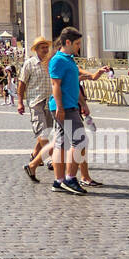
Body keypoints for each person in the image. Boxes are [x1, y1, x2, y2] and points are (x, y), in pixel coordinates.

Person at [47, 27, 106, 194]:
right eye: (78, 43)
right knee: (80, 141)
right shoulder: (58, 60)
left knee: (61, 144)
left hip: (69, 105)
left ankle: (58, 182)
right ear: (68, 42)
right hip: (64, 107)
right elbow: (55, 85)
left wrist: (93, 76)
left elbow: (75, 80)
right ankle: (70, 178)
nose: (79, 46)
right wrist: (60, 106)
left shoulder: (69, 59)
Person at [18, 36, 55, 183]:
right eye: (42, 47)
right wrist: (20, 102)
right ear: (36, 50)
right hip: (36, 102)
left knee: (47, 132)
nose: (45, 49)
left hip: (50, 102)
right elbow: (22, 84)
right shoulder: (29, 64)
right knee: (42, 132)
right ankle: (51, 158)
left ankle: (35, 155)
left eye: (46, 47)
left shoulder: (51, 63)